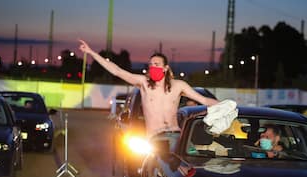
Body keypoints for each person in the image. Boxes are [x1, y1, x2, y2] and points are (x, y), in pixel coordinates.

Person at [78, 39, 219, 146]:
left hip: (176, 137)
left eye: (156, 65)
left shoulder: (179, 85)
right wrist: (91, 52)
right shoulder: (144, 83)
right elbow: (116, 70)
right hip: (154, 140)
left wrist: (232, 107)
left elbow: (205, 101)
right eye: (150, 65)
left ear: (165, 68)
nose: (153, 68)